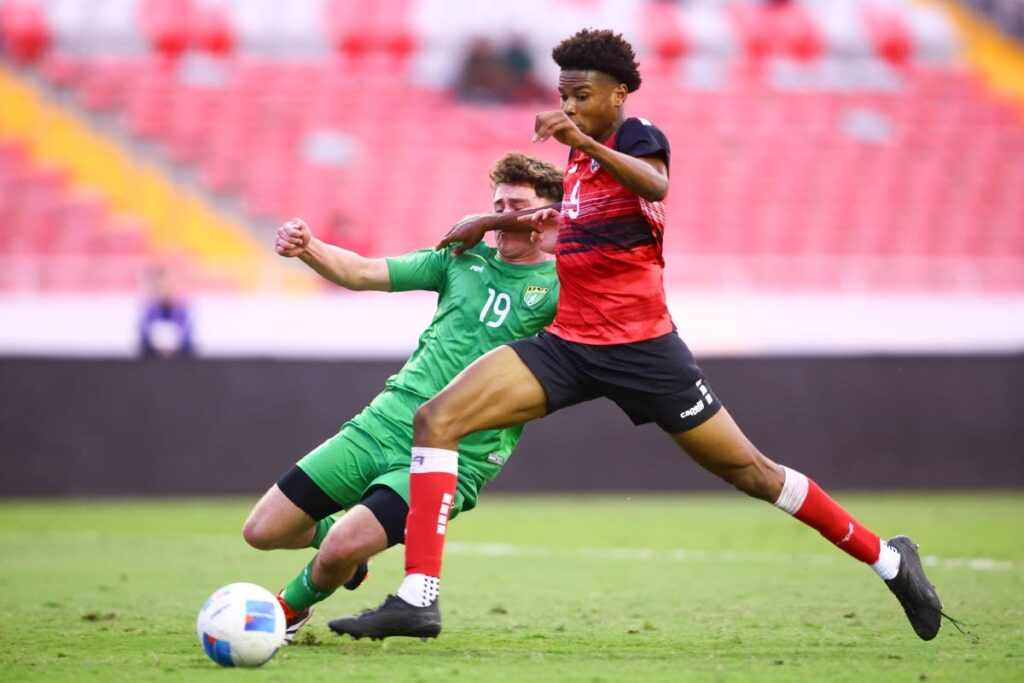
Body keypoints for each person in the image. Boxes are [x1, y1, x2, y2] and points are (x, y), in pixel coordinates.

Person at [329, 29, 953, 643]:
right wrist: (489, 219)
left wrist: (582, 141)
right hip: (570, 345)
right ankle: (418, 599)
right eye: (564, 95)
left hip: (643, 350)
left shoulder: (636, 137)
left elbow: (655, 185)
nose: (570, 106)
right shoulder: (579, 158)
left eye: (582, 94)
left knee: (753, 474)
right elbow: (562, 219)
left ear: (619, 92)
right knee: (437, 420)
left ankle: (891, 562)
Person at [241, 152, 563, 642]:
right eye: (496, 203)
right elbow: (362, 272)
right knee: (262, 532)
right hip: (382, 423)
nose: (499, 215)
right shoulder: (460, 258)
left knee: (338, 550)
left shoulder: (563, 285)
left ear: (547, 214)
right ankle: (346, 558)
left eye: (514, 205)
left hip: (458, 450)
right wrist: (309, 248)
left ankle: (283, 611)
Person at [138, 266, 194, 359]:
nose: (165, 289)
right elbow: (144, 337)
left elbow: (187, 336)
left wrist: (174, 345)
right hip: (153, 359)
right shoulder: (149, 310)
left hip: (180, 359)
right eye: (161, 286)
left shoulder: (183, 309)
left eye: (168, 286)